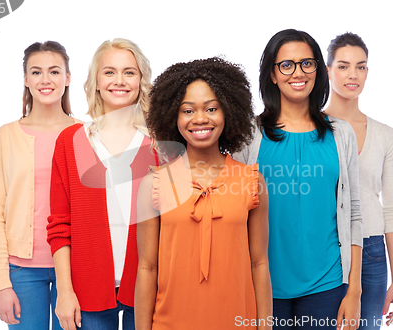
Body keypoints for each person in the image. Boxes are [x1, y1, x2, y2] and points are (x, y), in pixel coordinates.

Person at [234, 29, 363, 330]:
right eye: (287, 65)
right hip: (263, 286)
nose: (298, 72)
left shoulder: (341, 134)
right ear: (273, 74)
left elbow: (354, 212)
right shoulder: (248, 135)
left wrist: (354, 290)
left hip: (327, 286)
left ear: (318, 70)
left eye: (307, 63)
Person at [135, 57, 273, 330]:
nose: (200, 119)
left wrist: (265, 327)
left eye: (212, 108)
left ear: (229, 113)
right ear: (173, 116)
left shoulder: (252, 181)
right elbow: (147, 269)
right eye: (187, 110)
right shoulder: (155, 184)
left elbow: (259, 263)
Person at [47, 38, 156, 330]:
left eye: (129, 72)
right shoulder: (70, 143)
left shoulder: (160, 144)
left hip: (149, 290)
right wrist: (64, 291)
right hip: (86, 292)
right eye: (109, 72)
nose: (119, 80)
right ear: (95, 81)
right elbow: (59, 224)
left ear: (141, 80)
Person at [0, 41, 78, 329]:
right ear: (26, 80)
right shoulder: (4, 137)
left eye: (54, 71)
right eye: (36, 72)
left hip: (75, 266)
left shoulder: (86, 134)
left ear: (67, 77)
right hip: (21, 271)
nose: (45, 80)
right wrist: (1, 283)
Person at [324, 32, 393, 329]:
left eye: (361, 66)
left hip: (371, 250)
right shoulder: (313, 129)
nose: (352, 74)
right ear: (328, 70)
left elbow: (392, 208)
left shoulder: (386, 135)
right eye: (343, 66)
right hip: (326, 245)